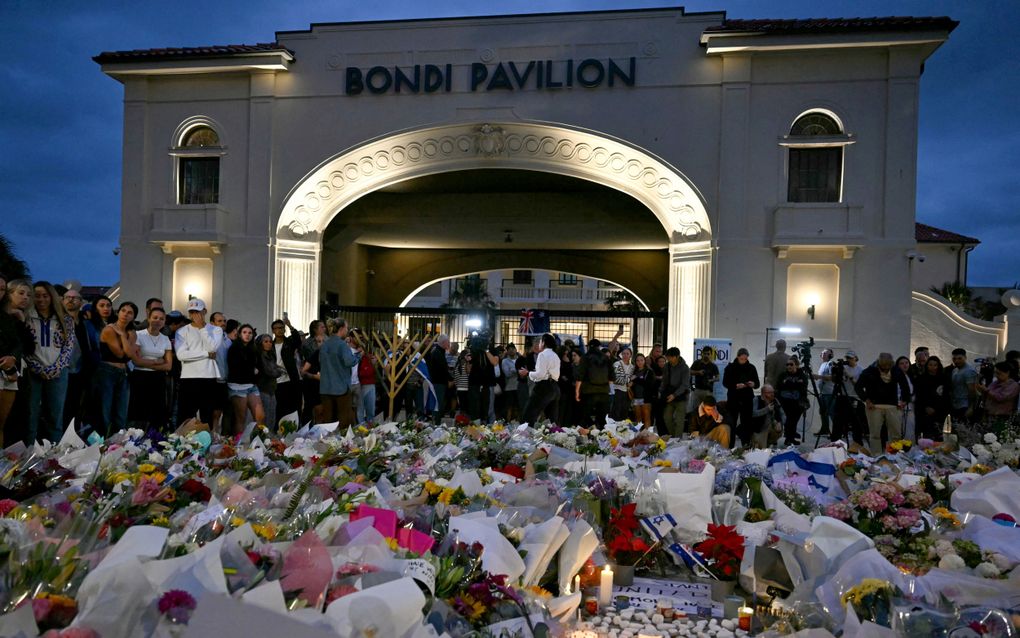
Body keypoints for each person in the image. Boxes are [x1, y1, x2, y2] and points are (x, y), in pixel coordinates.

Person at [25, 281, 76, 443]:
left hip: (58, 372)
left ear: (52, 297)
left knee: (55, 415)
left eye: (45, 296)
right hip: (33, 371)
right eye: (37, 296)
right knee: (31, 414)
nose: (41, 300)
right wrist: (37, 367)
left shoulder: (64, 319)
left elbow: (69, 345)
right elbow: (23, 346)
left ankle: (53, 455)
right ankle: (29, 454)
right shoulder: (27, 317)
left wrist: (57, 367)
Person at [174, 298, 224, 426]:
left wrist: (202, 328)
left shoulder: (216, 330)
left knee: (207, 416)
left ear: (205, 311)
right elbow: (181, 355)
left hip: (208, 376)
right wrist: (206, 354)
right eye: (192, 312)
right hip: (188, 377)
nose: (195, 315)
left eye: (198, 312)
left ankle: (205, 444)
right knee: (185, 416)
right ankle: (183, 443)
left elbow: (212, 347)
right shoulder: (182, 331)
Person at [93, 301, 139, 435]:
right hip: (107, 370)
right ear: (118, 312)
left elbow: (129, 355)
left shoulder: (131, 332)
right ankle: (102, 440)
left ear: (133, 317)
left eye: (129, 312)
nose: (125, 314)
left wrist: (123, 336)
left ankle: (119, 441)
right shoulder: (109, 329)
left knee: (121, 411)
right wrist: (124, 338)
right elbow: (119, 354)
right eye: (123, 310)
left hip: (123, 372)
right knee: (105, 409)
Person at [856, 352, 911, 455]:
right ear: (878, 363)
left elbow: (905, 386)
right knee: (875, 434)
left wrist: (904, 400)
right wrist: (867, 400)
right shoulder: (869, 371)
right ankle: (876, 456)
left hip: (892, 405)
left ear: (892, 363)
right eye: (883, 366)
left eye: (888, 365)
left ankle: (895, 455)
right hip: (874, 405)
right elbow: (858, 387)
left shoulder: (896, 370)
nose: (886, 368)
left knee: (896, 434)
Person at [60, 288, 99, 429]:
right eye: (67, 297)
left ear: (81, 302)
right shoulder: (59, 321)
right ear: (62, 300)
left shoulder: (86, 323)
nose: (70, 300)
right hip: (63, 371)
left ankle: (75, 434)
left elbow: (94, 345)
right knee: (64, 407)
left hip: (83, 371)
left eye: (74, 297)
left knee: (78, 406)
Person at [129, 306, 172, 431]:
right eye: (155, 317)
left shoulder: (165, 339)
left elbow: (168, 365)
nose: (158, 321)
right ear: (148, 318)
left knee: (157, 412)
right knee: (139, 412)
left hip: (158, 379)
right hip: (140, 377)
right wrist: (156, 362)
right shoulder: (138, 335)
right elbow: (135, 361)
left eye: (161, 319)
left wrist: (146, 362)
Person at [0, 276, 32, 442]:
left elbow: (25, 346)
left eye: (28, 294)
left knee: (13, 421)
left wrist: (22, 321)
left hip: (14, 374)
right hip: (7, 370)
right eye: (21, 293)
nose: (25, 297)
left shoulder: (14, 318)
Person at [317, 318, 360, 426]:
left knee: (328, 421)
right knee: (343, 421)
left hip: (326, 388)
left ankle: (328, 442)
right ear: (341, 329)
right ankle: (343, 443)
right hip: (341, 388)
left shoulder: (325, 345)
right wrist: (358, 356)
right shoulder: (342, 345)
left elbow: (320, 362)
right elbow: (349, 361)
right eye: (346, 328)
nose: (347, 330)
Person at [226, 324, 265, 433]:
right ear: (239, 334)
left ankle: (259, 441)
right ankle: (239, 444)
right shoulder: (234, 348)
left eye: (250, 333)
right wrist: (252, 371)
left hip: (251, 385)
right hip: (238, 386)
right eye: (244, 332)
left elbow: (259, 366)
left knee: (260, 416)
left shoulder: (253, 348)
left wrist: (256, 371)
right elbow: (236, 367)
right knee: (241, 418)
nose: (247, 335)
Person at [269, 317, 303, 426]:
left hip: (290, 379)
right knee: (280, 407)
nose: (279, 330)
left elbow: (297, 340)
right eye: (276, 328)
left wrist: (290, 326)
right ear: (273, 330)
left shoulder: (289, 342)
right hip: (276, 381)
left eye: (281, 328)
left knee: (293, 406)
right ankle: (279, 428)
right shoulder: (270, 345)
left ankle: (294, 427)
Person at [722, 347, 759, 446]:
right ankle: (730, 445)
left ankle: (745, 445)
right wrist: (735, 385)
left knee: (746, 423)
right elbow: (725, 382)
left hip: (747, 399)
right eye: (741, 359)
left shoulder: (751, 368)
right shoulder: (730, 367)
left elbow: (758, 384)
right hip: (733, 398)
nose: (743, 361)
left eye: (745, 359)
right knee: (732, 422)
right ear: (737, 357)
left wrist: (753, 384)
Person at [522, 333, 560, 425]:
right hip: (555, 387)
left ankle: (527, 438)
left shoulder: (542, 354)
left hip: (544, 387)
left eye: (539, 342)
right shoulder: (555, 355)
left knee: (528, 416)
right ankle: (555, 436)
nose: (538, 345)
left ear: (543, 343)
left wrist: (528, 373)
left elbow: (540, 374)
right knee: (552, 419)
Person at [575, 339, 611, 427]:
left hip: (588, 392)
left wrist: (577, 392)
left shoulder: (585, 357)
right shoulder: (606, 358)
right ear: (599, 347)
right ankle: (602, 437)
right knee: (602, 419)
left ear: (588, 347)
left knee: (584, 417)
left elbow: (580, 377)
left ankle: (587, 435)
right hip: (604, 393)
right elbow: (612, 378)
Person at [776, 355, 810, 446]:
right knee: (789, 420)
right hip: (785, 402)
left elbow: (802, 388)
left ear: (797, 365)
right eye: (787, 364)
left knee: (794, 421)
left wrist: (788, 383)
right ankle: (788, 438)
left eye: (791, 364)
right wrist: (794, 384)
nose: (789, 366)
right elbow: (780, 386)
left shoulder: (802, 375)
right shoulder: (783, 375)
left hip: (798, 403)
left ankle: (791, 438)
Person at [914, 355, 950, 440]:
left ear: (938, 366)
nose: (932, 367)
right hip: (924, 411)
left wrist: (937, 408)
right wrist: (926, 407)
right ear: (927, 365)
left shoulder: (944, 378)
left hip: (940, 411)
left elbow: (945, 396)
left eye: (935, 365)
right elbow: (919, 395)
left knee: (938, 435)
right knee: (926, 435)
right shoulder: (921, 378)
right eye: (930, 365)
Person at [658, 347, 691, 437]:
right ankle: (674, 437)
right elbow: (664, 381)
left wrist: (675, 395)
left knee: (679, 420)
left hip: (682, 396)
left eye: (669, 357)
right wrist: (661, 391)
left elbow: (685, 385)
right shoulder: (667, 366)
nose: (668, 359)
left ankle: (678, 440)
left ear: (676, 357)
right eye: (667, 357)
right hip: (669, 395)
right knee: (667, 417)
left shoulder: (685, 368)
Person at [301, 320, 327, 424]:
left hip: (325, 382)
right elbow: (305, 368)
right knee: (310, 407)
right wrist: (314, 376)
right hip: (312, 381)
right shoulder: (308, 344)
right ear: (315, 329)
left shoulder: (328, 341)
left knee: (322, 409)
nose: (324, 328)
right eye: (322, 327)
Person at [688, 346, 719, 431]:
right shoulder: (697, 363)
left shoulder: (713, 365)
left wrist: (710, 380)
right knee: (696, 410)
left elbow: (718, 378)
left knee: (708, 411)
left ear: (711, 354)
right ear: (702, 354)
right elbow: (689, 371)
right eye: (705, 354)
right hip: (697, 390)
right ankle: (695, 430)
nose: (706, 355)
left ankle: (706, 429)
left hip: (708, 391)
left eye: (708, 354)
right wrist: (698, 372)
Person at [427, 334, 453, 424]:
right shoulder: (437, 352)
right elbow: (442, 368)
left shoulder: (439, 351)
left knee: (440, 404)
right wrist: (450, 379)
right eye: (448, 342)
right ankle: (435, 423)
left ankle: (437, 422)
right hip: (438, 382)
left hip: (440, 382)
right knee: (438, 404)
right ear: (444, 342)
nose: (449, 344)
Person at [749, 384, 784, 449]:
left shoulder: (775, 400)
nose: (772, 394)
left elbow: (783, 414)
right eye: (769, 392)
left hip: (771, 426)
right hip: (759, 429)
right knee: (760, 450)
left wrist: (780, 423)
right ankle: (760, 442)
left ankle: (769, 442)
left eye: (773, 392)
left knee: (779, 431)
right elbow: (753, 413)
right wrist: (766, 409)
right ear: (763, 393)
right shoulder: (756, 399)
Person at [949, 348, 979, 422]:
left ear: (965, 358)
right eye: (954, 358)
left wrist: (971, 407)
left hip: (965, 405)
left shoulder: (969, 371)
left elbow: (972, 390)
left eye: (959, 358)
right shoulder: (955, 370)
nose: (956, 361)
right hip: (955, 404)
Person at [814, 348, 835, 436]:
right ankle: (825, 429)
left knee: (831, 413)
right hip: (823, 393)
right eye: (822, 352)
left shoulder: (831, 364)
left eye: (825, 353)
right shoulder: (823, 364)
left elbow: (832, 377)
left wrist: (818, 377)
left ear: (830, 355)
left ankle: (836, 432)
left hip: (829, 393)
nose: (822, 354)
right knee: (822, 412)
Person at [631, 353, 655, 429]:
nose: (639, 362)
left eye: (641, 360)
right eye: (637, 360)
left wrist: (636, 379)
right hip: (636, 398)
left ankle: (647, 436)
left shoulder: (649, 371)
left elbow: (649, 384)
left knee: (646, 418)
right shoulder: (634, 371)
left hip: (646, 398)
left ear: (644, 361)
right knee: (638, 418)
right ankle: (639, 437)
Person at [610, 347, 635, 421]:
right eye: (623, 353)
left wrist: (631, 382)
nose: (625, 355)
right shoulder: (617, 364)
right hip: (617, 390)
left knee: (624, 412)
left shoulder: (632, 367)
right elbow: (615, 379)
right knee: (616, 412)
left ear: (630, 355)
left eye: (627, 354)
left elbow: (632, 380)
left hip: (627, 392)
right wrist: (628, 380)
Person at [896, 356, 915, 440]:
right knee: (897, 430)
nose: (905, 365)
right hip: (897, 406)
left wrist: (908, 400)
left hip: (909, 406)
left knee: (909, 430)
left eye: (906, 363)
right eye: (902, 363)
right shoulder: (894, 376)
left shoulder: (911, 376)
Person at [500, 344, 519, 422]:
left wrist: (513, 370)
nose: (511, 350)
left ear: (516, 349)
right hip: (510, 387)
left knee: (518, 406)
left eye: (513, 348)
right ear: (507, 351)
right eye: (509, 349)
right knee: (509, 407)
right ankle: (508, 422)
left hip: (520, 387)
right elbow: (507, 374)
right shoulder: (504, 361)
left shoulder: (520, 359)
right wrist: (518, 371)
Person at [454, 350, 471, 417]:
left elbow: (456, 379)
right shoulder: (468, 366)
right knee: (467, 408)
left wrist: (458, 386)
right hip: (467, 389)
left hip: (459, 389)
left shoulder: (458, 366)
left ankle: (462, 421)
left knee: (462, 408)